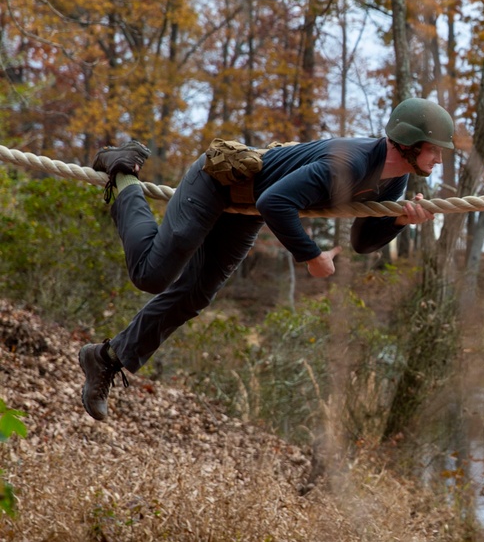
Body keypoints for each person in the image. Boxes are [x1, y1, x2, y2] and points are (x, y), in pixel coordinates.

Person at [78, 98, 455, 421]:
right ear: (407, 143)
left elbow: (362, 240)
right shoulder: (351, 163)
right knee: (151, 275)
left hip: (246, 209)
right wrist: (310, 256)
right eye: (434, 149)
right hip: (217, 184)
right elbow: (274, 202)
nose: (438, 158)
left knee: (194, 295)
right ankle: (124, 171)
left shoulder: (395, 179)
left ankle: (106, 359)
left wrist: (400, 221)